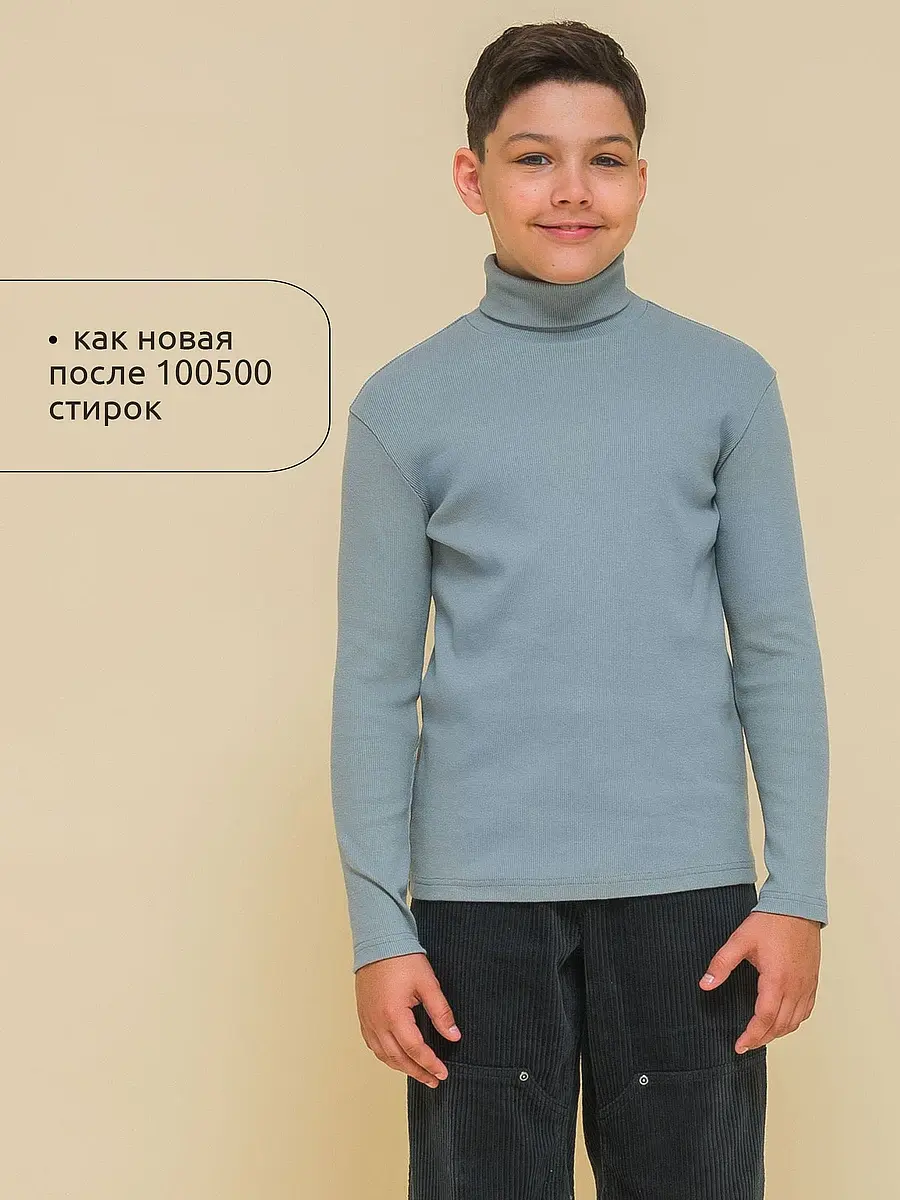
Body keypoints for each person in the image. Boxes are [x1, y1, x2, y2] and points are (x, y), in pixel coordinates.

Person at [330, 19, 829, 1199]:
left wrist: (797, 892)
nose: (571, 191)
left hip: (689, 905)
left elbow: (774, 647)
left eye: (604, 159)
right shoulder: (405, 406)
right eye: (533, 158)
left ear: (641, 180)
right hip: (474, 913)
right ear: (473, 179)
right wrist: (380, 926)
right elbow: (374, 680)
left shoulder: (727, 386)